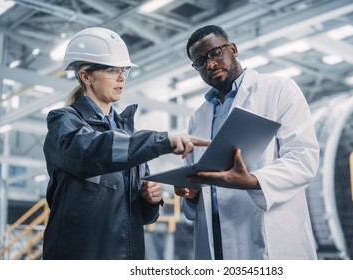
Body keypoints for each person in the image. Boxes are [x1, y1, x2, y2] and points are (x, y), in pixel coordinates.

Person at [42, 27, 209, 260]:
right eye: (112, 70)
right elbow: (92, 151)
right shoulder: (64, 122)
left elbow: (144, 217)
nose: (121, 77)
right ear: (85, 76)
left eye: (124, 70)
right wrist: (162, 141)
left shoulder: (128, 133)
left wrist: (150, 200)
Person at [174, 25, 320, 260]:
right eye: (200, 62)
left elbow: (303, 159)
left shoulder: (279, 90)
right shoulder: (198, 117)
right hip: (216, 243)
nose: (210, 64)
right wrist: (190, 195)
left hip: (268, 236)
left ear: (233, 49)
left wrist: (253, 181)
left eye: (215, 53)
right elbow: (199, 180)